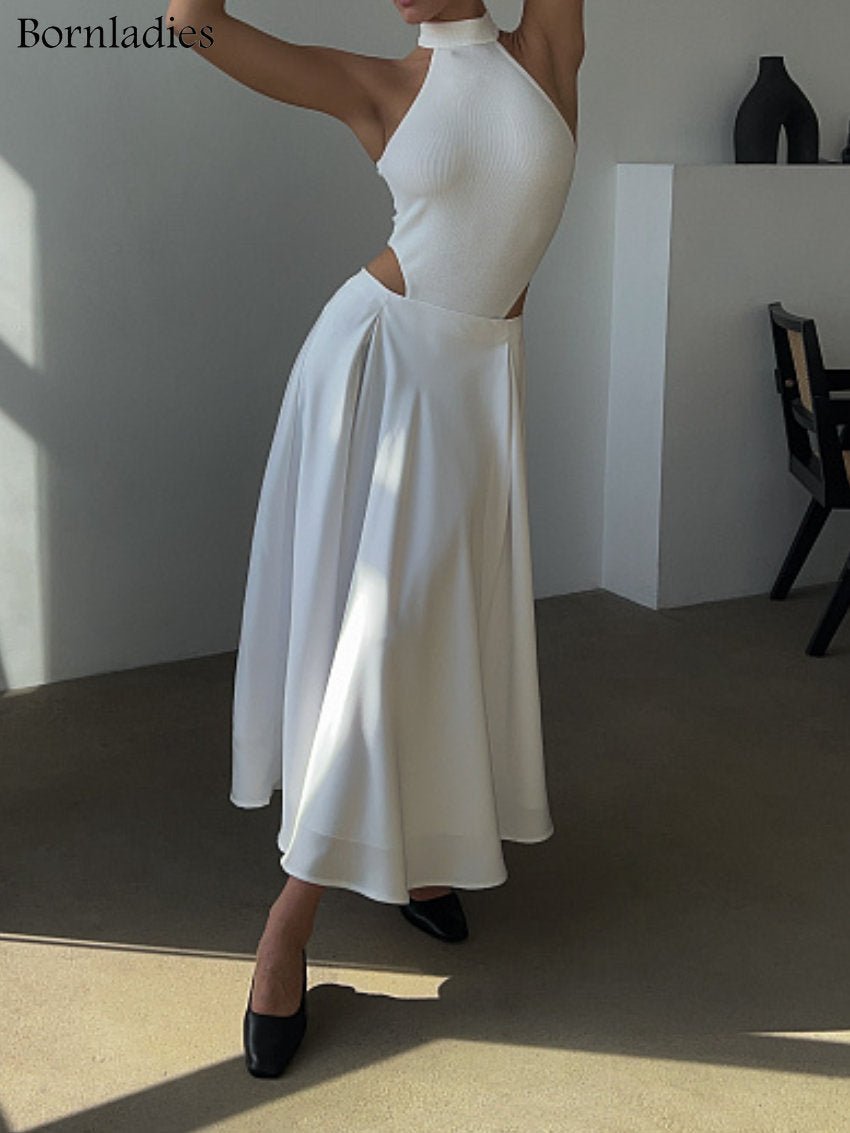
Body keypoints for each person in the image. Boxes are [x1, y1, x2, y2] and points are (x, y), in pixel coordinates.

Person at [165, 0, 584, 1077]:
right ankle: (287, 925)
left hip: (476, 388)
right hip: (379, 368)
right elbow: (190, 25)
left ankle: (423, 855)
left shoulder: (547, 51)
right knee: (383, 635)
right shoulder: (384, 89)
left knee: (442, 625)